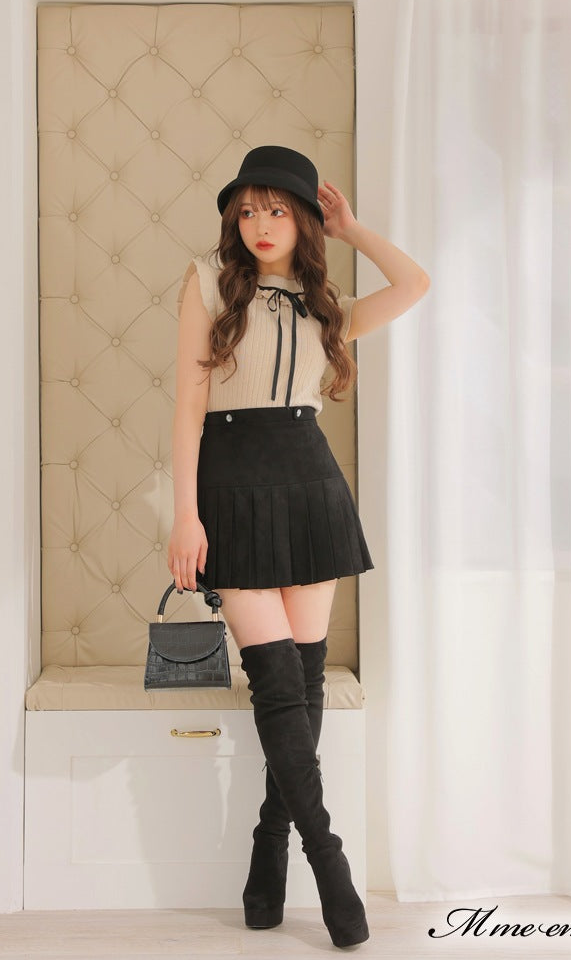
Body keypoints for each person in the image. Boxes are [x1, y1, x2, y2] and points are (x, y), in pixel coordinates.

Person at [168, 145, 429, 948]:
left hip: (312, 487)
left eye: (278, 209)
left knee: (304, 687)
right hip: (232, 490)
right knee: (278, 688)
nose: (260, 223)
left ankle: (269, 842)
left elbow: (415, 284)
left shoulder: (326, 306)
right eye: (248, 209)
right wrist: (185, 517)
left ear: (304, 220)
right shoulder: (207, 283)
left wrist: (354, 229)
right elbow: (186, 409)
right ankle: (328, 861)